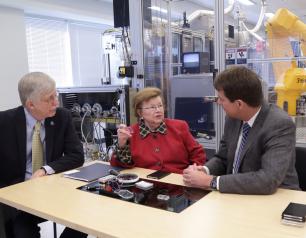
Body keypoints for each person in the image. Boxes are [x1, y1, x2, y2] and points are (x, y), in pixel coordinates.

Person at [183, 66, 300, 195]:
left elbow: (267, 180)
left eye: (222, 99)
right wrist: (205, 170)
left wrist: (211, 181)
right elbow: (223, 158)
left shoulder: (279, 124)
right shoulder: (233, 118)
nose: (219, 103)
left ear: (239, 104)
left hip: (277, 197)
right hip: (236, 194)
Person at [0, 72, 87, 237]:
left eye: (56, 95)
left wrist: (45, 169)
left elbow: (76, 155)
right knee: (23, 231)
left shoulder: (62, 117)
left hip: (51, 189)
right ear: (31, 104)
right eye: (49, 99)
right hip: (18, 195)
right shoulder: (4, 122)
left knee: (84, 220)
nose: (56, 102)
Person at [110, 87, 206, 174]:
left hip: (179, 183)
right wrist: (121, 145)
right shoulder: (130, 133)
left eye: (160, 106)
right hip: (144, 187)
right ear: (140, 112)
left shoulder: (179, 126)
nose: (158, 110)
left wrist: (194, 169)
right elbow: (118, 168)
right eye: (152, 107)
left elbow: (198, 154)